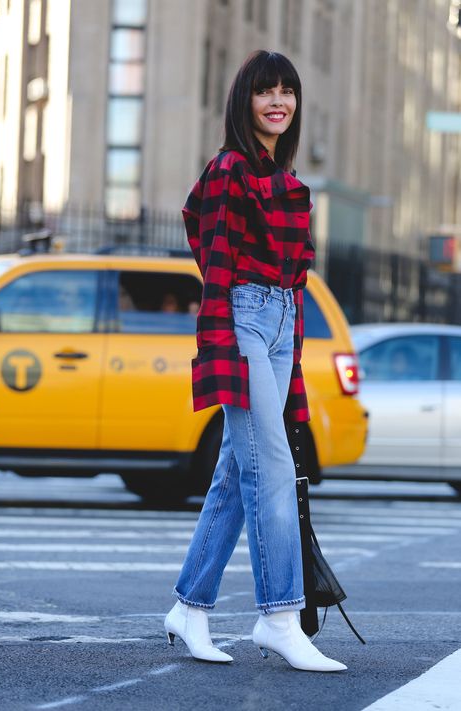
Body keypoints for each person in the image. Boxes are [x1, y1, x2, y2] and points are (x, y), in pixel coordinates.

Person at [164, 50, 346, 672]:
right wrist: (224, 340)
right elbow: (213, 260)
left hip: (279, 324)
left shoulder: (292, 185)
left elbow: (294, 283)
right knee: (269, 467)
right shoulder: (229, 171)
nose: (278, 100)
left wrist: (287, 349)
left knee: (233, 479)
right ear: (244, 100)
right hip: (241, 316)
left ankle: (189, 607)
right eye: (266, 90)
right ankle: (279, 616)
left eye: (287, 91)